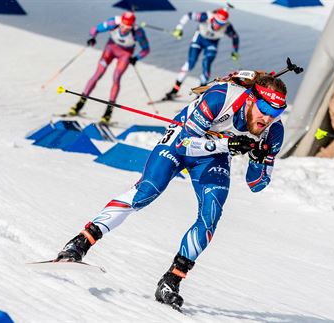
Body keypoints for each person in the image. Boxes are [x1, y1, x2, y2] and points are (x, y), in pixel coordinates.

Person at [56, 69, 287, 310]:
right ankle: (79, 244)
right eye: (266, 110)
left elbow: (257, 185)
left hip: (214, 155)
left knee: (211, 215)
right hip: (184, 139)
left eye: (277, 112)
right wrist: (226, 143)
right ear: (251, 99)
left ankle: (171, 281)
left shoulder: (274, 132)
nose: (269, 118)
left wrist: (259, 158)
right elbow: (184, 144)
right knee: (147, 191)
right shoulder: (221, 96)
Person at [68, 11, 150, 123]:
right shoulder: (113, 23)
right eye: (123, 25)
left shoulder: (138, 32)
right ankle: (79, 104)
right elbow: (95, 29)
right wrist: (92, 37)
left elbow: (146, 49)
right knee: (97, 74)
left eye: (128, 26)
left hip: (125, 54)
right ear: (120, 22)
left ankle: (108, 112)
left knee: (116, 78)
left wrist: (136, 57)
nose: (125, 28)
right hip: (110, 49)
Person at [164, 8, 239, 100]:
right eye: (217, 22)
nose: (218, 26)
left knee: (206, 64)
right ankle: (174, 91)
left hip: (212, 43)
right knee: (190, 63)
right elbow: (188, 15)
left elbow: (235, 37)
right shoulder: (205, 16)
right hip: (199, 40)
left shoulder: (227, 26)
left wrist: (235, 51)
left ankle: (199, 95)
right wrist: (179, 28)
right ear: (214, 18)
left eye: (221, 24)